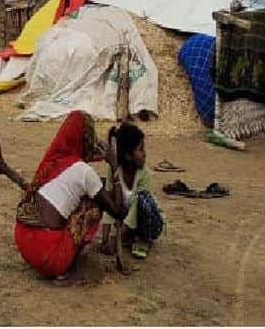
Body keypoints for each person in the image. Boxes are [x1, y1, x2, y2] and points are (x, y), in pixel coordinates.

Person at [14, 111, 127, 283]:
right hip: (48, 257)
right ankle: (65, 270)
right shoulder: (84, 173)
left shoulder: (55, 160)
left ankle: (59, 253)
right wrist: (114, 166)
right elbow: (118, 211)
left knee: (89, 194)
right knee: (93, 206)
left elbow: (80, 165)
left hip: (24, 240)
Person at [101, 123, 164, 259]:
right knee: (102, 193)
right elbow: (108, 203)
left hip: (149, 224)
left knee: (143, 199)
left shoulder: (144, 173)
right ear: (128, 156)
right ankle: (129, 236)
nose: (144, 153)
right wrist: (104, 239)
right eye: (140, 150)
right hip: (127, 220)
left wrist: (116, 238)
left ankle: (143, 239)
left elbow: (137, 208)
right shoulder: (114, 170)